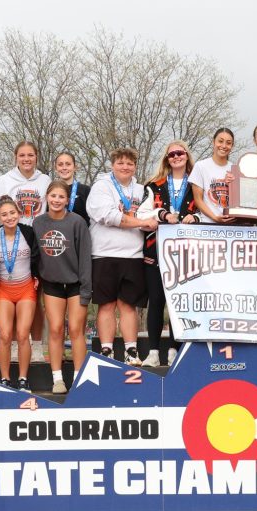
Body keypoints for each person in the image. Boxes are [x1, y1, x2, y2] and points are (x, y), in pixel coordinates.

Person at [87, 147, 159, 365]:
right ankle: (106, 351)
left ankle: (131, 351)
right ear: (112, 165)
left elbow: (152, 215)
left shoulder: (142, 190)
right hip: (104, 253)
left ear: (135, 166)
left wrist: (151, 220)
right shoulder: (101, 187)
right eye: (120, 163)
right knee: (106, 305)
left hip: (133, 255)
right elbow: (108, 216)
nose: (125, 167)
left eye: (129, 163)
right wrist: (141, 222)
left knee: (128, 306)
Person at [0, 142, 51, 362]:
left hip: (37, 244)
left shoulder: (45, 181)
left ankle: (36, 346)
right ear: (15, 157)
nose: (26, 159)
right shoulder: (4, 181)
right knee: (9, 300)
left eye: (31, 155)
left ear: (37, 157)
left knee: (36, 298)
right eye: (22, 155)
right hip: (8, 244)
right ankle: (14, 345)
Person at [142, 141, 198, 367]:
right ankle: (153, 352)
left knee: (180, 302)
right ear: (167, 158)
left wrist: (196, 218)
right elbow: (142, 213)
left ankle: (175, 349)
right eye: (171, 154)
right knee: (156, 301)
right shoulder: (153, 185)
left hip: (187, 254)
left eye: (180, 153)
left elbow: (209, 211)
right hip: (156, 251)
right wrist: (162, 213)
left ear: (187, 155)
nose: (176, 156)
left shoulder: (197, 183)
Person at [34, 181, 93, 393]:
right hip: (52, 284)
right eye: (53, 196)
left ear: (67, 200)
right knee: (56, 329)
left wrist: (86, 289)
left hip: (76, 284)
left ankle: (79, 378)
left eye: (61, 197)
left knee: (77, 330)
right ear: (46, 197)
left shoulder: (77, 222)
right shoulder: (38, 223)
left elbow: (86, 258)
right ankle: (57, 379)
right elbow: (35, 256)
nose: (57, 200)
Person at [0, 195, 41, 390]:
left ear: (18, 213)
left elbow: (38, 257)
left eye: (12, 213)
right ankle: (5, 378)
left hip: (25, 288)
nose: (9, 217)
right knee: (5, 335)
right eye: (4, 215)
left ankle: (24, 378)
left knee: (23, 334)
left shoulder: (28, 232)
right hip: (3, 291)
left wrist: (38, 277)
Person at [189, 128, 235, 224]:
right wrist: (215, 218)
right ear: (213, 142)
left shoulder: (235, 169)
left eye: (228, 143)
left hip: (231, 225)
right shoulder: (200, 166)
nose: (224, 146)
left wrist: (235, 184)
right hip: (207, 224)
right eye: (220, 141)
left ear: (232, 146)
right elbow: (198, 200)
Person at [54, 151, 92, 224]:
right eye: (60, 164)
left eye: (68, 164)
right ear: (56, 168)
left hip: (79, 233)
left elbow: (91, 218)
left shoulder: (85, 190)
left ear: (75, 167)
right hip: (56, 233)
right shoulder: (51, 190)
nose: (64, 168)